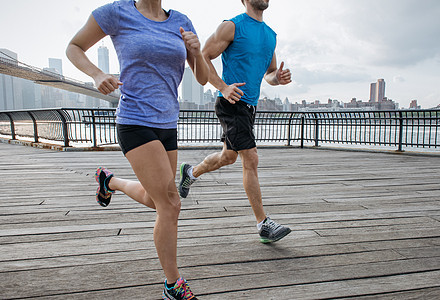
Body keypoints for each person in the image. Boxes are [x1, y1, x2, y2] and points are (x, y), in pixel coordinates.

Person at [66, 1, 208, 299]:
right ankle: (172, 285)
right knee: (171, 202)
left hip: (168, 123)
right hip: (134, 120)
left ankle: (110, 181)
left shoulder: (181, 20)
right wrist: (96, 74)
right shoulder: (116, 13)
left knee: (156, 199)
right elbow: (74, 47)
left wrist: (195, 52)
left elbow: (203, 78)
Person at [178, 0, 292, 244]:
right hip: (231, 103)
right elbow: (203, 56)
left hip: (249, 106)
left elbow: (269, 74)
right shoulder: (232, 26)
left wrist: (278, 78)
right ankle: (263, 224)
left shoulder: (270, 35)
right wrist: (222, 87)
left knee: (228, 157)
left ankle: (191, 172)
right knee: (250, 158)